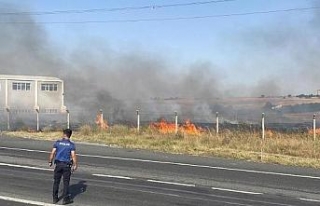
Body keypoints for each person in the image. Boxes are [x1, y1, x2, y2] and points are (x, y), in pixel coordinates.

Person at [49, 128, 78, 205]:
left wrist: (50, 161)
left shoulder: (57, 143)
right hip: (66, 166)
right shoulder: (71, 145)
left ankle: (55, 198)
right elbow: (73, 156)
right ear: (70, 135)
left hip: (58, 165)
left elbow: (52, 153)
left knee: (56, 182)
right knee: (66, 183)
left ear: (64, 134)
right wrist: (75, 165)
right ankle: (65, 199)